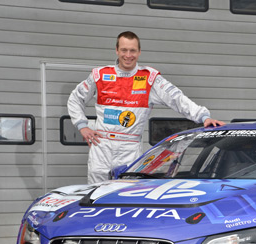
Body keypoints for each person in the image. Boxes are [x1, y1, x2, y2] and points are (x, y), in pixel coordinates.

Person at [68, 31, 225, 183]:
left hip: (129, 148)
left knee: (127, 196)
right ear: (116, 50)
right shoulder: (100, 75)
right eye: (124, 50)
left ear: (139, 52)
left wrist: (203, 116)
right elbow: (75, 98)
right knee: (96, 196)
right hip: (101, 146)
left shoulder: (149, 78)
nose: (128, 55)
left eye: (132, 51)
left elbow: (177, 98)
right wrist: (82, 126)